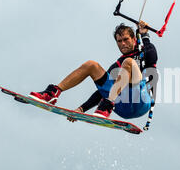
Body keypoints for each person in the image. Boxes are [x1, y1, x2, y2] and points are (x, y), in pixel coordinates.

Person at [29, 21, 157, 120]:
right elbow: (102, 92)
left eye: (126, 40)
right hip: (122, 107)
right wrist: (81, 109)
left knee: (128, 62)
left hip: (141, 102)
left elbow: (152, 57)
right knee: (92, 65)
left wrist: (144, 34)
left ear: (134, 39)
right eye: (119, 41)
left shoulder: (144, 52)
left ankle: (107, 105)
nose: (122, 43)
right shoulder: (117, 65)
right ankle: (53, 93)